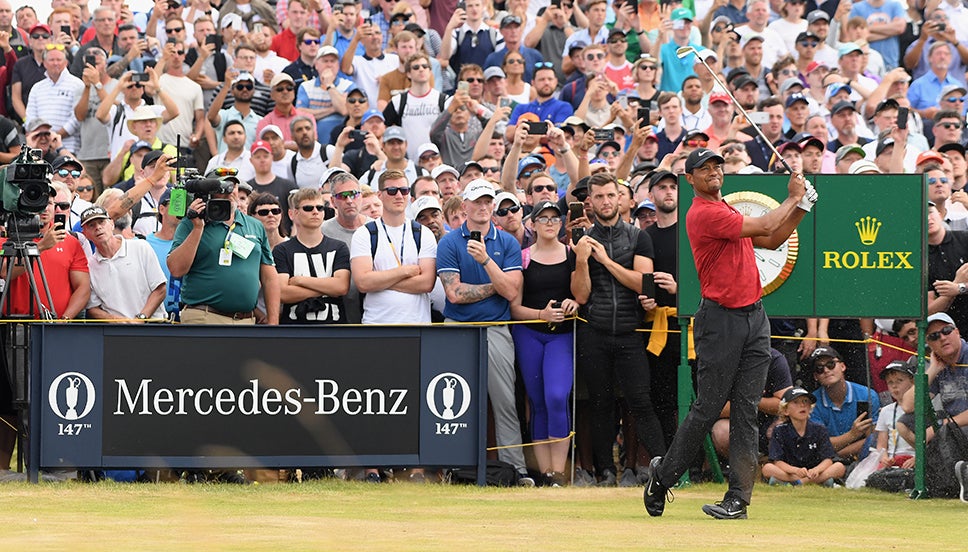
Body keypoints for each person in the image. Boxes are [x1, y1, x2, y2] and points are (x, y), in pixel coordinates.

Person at [645, 148, 816, 520]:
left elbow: (772, 240)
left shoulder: (725, 210)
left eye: (717, 167)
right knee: (707, 408)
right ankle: (663, 477)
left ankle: (737, 498)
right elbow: (768, 226)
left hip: (755, 317)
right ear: (689, 179)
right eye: (703, 169)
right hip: (720, 320)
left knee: (746, 411)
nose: (713, 173)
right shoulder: (703, 213)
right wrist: (792, 196)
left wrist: (801, 208)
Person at [571, 172, 666, 486]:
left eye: (611, 195)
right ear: (591, 202)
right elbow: (581, 295)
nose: (606, 202)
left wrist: (606, 261)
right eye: (599, 197)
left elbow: (643, 282)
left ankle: (662, 469)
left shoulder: (639, 236)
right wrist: (583, 261)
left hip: (629, 331)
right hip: (595, 331)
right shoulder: (582, 240)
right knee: (600, 403)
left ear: (621, 198)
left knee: (640, 401)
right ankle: (606, 472)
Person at [436, 179, 531, 485]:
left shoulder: (507, 243)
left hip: (495, 328)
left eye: (487, 201)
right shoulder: (449, 242)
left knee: (505, 403)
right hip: (457, 329)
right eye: (476, 201)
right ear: (464, 206)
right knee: (453, 403)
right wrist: (497, 286)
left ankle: (516, 472)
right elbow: (455, 294)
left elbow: (512, 293)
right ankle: (453, 469)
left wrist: (487, 261)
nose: (482, 207)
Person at [510, 200, 578, 487]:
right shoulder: (523, 257)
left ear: (561, 223)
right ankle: (544, 473)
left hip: (561, 335)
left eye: (554, 218)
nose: (549, 223)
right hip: (529, 332)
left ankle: (558, 473)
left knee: (556, 395)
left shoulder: (572, 254)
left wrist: (575, 302)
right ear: (532, 224)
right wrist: (541, 314)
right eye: (543, 218)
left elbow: (582, 292)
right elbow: (514, 308)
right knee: (537, 401)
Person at [167, 160, 280, 326]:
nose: (229, 190)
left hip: (245, 320)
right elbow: (176, 269)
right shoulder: (190, 223)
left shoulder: (254, 225)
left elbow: (270, 277)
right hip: (204, 316)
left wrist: (273, 321)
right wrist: (198, 228)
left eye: (233, 185)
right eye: (222, 186)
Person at [274, 187, 351, 324]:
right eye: (308, 208)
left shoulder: (339, 247)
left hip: (334, 329)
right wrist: (327, 288)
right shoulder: (282, 250)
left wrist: (300, 281)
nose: (315, 212)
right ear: (294, 213)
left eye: (320, 208)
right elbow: (282, 293)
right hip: (294, 331)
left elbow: (341, 287)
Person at [80, 205, 167, 321]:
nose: (98, 227)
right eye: (91, 225)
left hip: (153, 326)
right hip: (116, 331)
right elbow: (92, 308)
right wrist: (115, 320)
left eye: (101, 222)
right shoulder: (89, 266)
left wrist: (141, 319)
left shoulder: (141, 247)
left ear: (111, 224)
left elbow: (160, 289)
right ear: (85, 233)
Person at [762, 387, 846, 485]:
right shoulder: (779, 430)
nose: (802, 405)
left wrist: (816, 470)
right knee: (767, 468)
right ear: (785, 411)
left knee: (839, 467)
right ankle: (810, 481)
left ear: (810, 407)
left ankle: (797, 483)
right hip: (791, 472)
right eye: (796, 402)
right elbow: (777, 462)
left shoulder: (820, 429)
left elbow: (828, 459)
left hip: (814, 472)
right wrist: (795, 470)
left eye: (805, 401)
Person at [809, 346, 881, 459]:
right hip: (824, 465)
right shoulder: (811, 402)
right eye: (819, 368)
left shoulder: (867, 395)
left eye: (831, 364)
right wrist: (852, 435)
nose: (826, 370)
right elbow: (819, 446)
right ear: (815, 377)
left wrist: (838, 453)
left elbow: (873, 440)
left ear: (842, 366)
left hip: (862, 459)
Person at [874, 358, 917, 471]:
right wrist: (884, 458)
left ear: (912, 382)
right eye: (890, 382)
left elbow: (931, 443)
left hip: (914, 459)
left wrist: (917, 459)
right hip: (892, 460)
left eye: (899, 381)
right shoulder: (885, 411)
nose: (894, 386)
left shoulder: (923, 409)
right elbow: (881, 445)